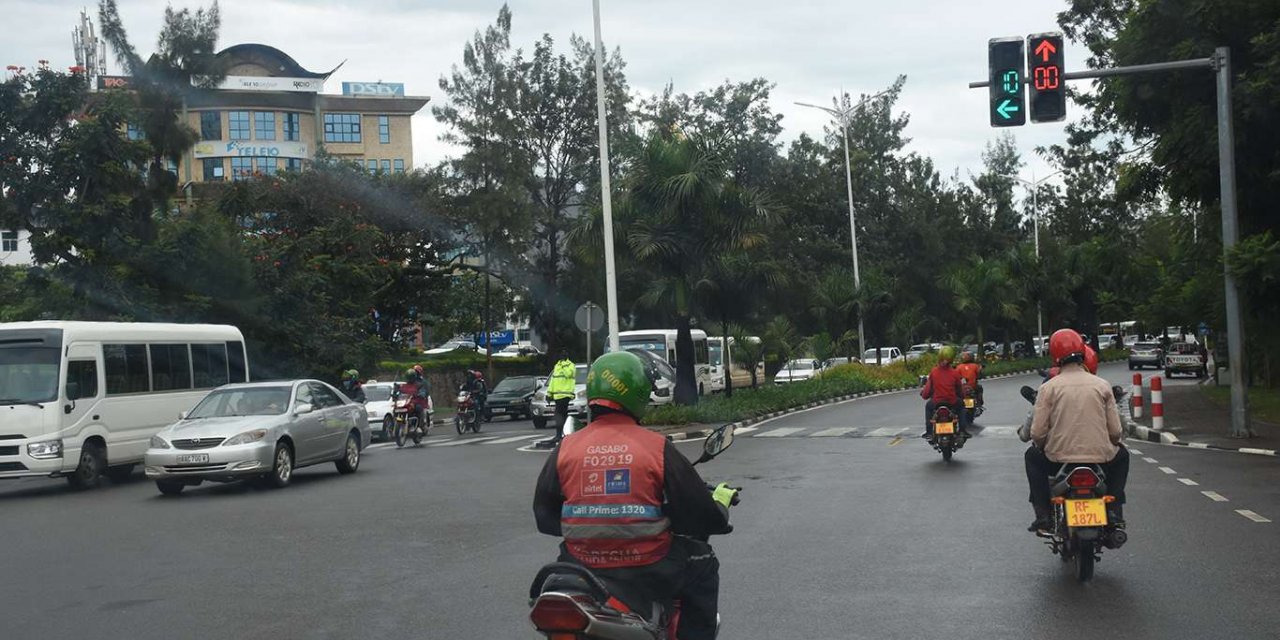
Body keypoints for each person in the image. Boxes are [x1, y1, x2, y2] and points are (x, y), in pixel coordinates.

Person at [533, 351, 734, 640]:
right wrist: (720, 505)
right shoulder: (656, 447)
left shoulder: (565, 449)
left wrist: (591, 530)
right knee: (703, 561)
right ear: (638, 393)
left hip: (580, 566)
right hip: (649, 566)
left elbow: (544, 518)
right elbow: (700, 516)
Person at [1025, 329, 1130, 534]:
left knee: (1031, 456)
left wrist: (1044, 444)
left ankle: (1043, 515)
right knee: (1123, 455)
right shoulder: (1102, 385)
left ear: (1054, 354)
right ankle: (1115, 510)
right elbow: (1116, 432)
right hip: (1101, 459)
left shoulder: (1049, 388)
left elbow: (1037, 434)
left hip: (1058, 460)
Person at [920, 346, 969, 438]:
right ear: (952, 359)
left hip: (936, 402)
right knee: (962, 405)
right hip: (952, 402)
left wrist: (924, 395)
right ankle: (962, 430)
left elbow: (927, 391)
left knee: (928, 406)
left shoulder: (934, 372)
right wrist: (962, 396)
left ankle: (929, 432)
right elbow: (960, 390)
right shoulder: (955, 373)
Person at [547, 353, 577, 442]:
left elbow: (568, 374)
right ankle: (562, 434)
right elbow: (553, 380)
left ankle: (560, 435)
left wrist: (564, 364)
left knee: (559, 415)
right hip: (557, 395)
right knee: (561, 415)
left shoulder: (571, 365)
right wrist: (549, 394)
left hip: (565, 395)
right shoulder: (557, 365)